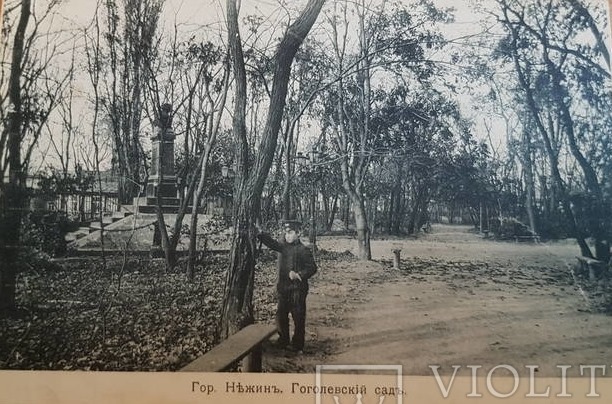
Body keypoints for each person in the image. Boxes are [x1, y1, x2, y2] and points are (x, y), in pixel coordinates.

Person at [257, 220, 317, 352]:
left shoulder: (304, 250)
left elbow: (312, 268)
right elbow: (272, 244)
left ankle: (297, 344)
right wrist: (260, 234)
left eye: (290, 233)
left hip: (298, 290)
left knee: (298, 317)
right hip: (284, 288)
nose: (287, 236)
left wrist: (299, 274)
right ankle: (283, 340)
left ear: (298, 233)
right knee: (281, 315)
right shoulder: (284, 247)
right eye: (286, 233)